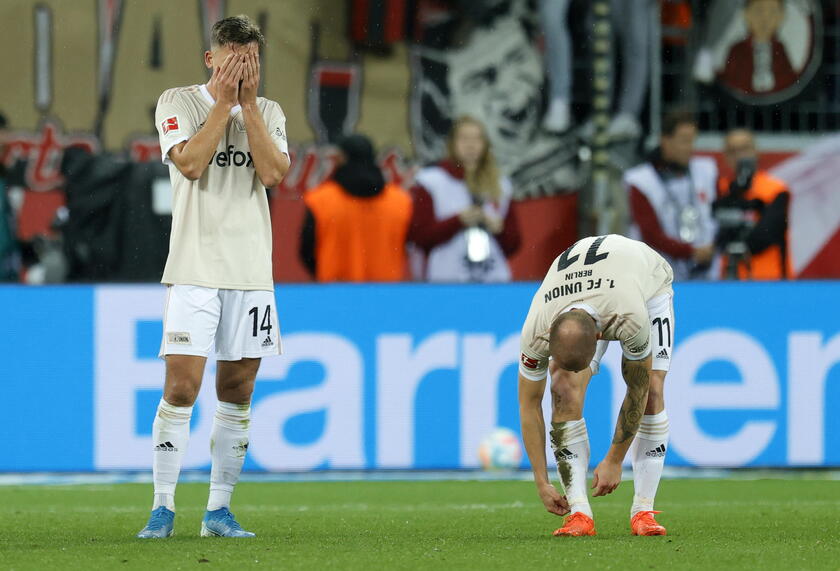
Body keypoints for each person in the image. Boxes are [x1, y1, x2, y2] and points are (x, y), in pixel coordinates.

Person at [137, 15, 290, 539]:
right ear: (212, 59)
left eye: (252, 62)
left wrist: (247, 106)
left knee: (238, 388)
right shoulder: (177, 101)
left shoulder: (268, 111)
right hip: (194, 267)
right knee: (182, 386)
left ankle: (218, 511)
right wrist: (224, 104)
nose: (244, 70)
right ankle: (162, 506)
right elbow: (193, 164)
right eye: (234, 61)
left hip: (251, 271)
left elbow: (272, 174)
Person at [518, 234, 674, 537]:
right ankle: (579, 513)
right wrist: (541, 480)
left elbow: (637, 388)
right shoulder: (536, 328)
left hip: (647, 281)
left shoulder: (629, 315)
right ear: (549, 335)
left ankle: (644, 509)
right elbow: (528, 404)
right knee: (562, 386)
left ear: (601, 338)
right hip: (588, 286)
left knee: (653, 389)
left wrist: (615, 459)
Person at [409, 116, 520, 282]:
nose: (471, 145)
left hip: (492, 278)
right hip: (446, 278)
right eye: (464, 138)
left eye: (477, 138)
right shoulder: (432, 180)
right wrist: (458, 221)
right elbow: (419, 236)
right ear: (452, 143)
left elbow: (514, 242)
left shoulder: (500, 185)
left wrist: (499, 229)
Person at [299, 134, 412, 282]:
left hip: (335, 292)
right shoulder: (400, 201)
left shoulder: (320, 200)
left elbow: (306, 251)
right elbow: (411, 248)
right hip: (386, 293)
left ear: (342, 158)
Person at [625, 110, 718, 281]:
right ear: (665, 141)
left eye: (692, 141)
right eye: (684, 141)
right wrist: (690, 252)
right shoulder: (640, 180)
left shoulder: (706, 170)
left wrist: (711, 249)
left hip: (706, 274)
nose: (690, 148)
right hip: (658, 277)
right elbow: (650, 234)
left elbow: (719, 215)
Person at [714, 128, 790, 279]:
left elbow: (764, 236)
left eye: (744, 149)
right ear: (725, 156)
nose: (739, 156)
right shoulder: (719, 188)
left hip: (769, 280)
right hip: (727, 280)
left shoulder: (775, 189)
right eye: (733, 151)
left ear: (756, 151)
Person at [719, 0, 796, 95]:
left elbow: (789, 82)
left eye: (772, 12)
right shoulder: (737, 50)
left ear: (781, 16)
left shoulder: (780, 49)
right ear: (746, 14)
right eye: (758, 11)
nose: (765, 19)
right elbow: (728, 83)